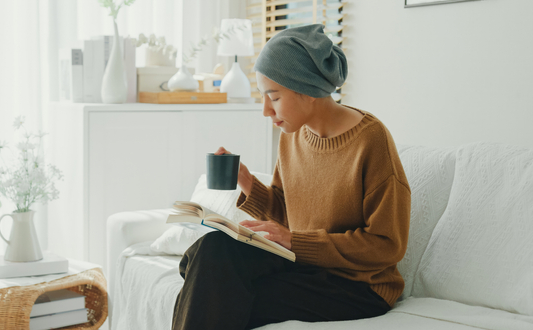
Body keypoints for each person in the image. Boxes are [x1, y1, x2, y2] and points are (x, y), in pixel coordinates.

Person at [171, 24, 411, 330]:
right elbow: (287, 214)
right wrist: (246, 182)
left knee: (213, 291)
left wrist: (295, 241)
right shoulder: (293, 135)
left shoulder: (370, 141)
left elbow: (387, 245)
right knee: (213, 249)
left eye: (274, 97)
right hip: (304, 267)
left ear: (308, 89)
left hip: (356, 287)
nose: (266, 111)